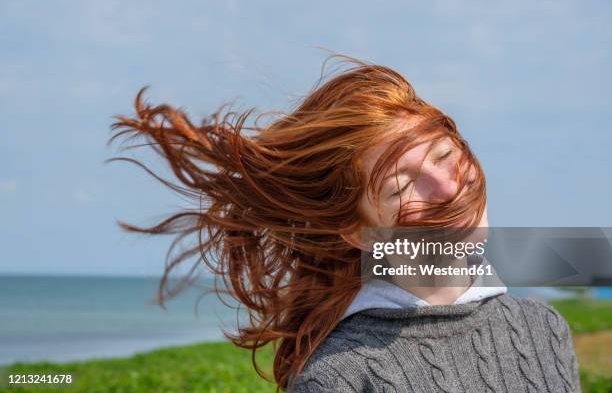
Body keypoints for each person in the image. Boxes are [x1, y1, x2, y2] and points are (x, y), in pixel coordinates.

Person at [109, 54, 580, 392]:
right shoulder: (339, 377)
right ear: (356, 232)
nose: (448, 186)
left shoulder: (543, 327)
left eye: (445, 155)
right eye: (402, 187)